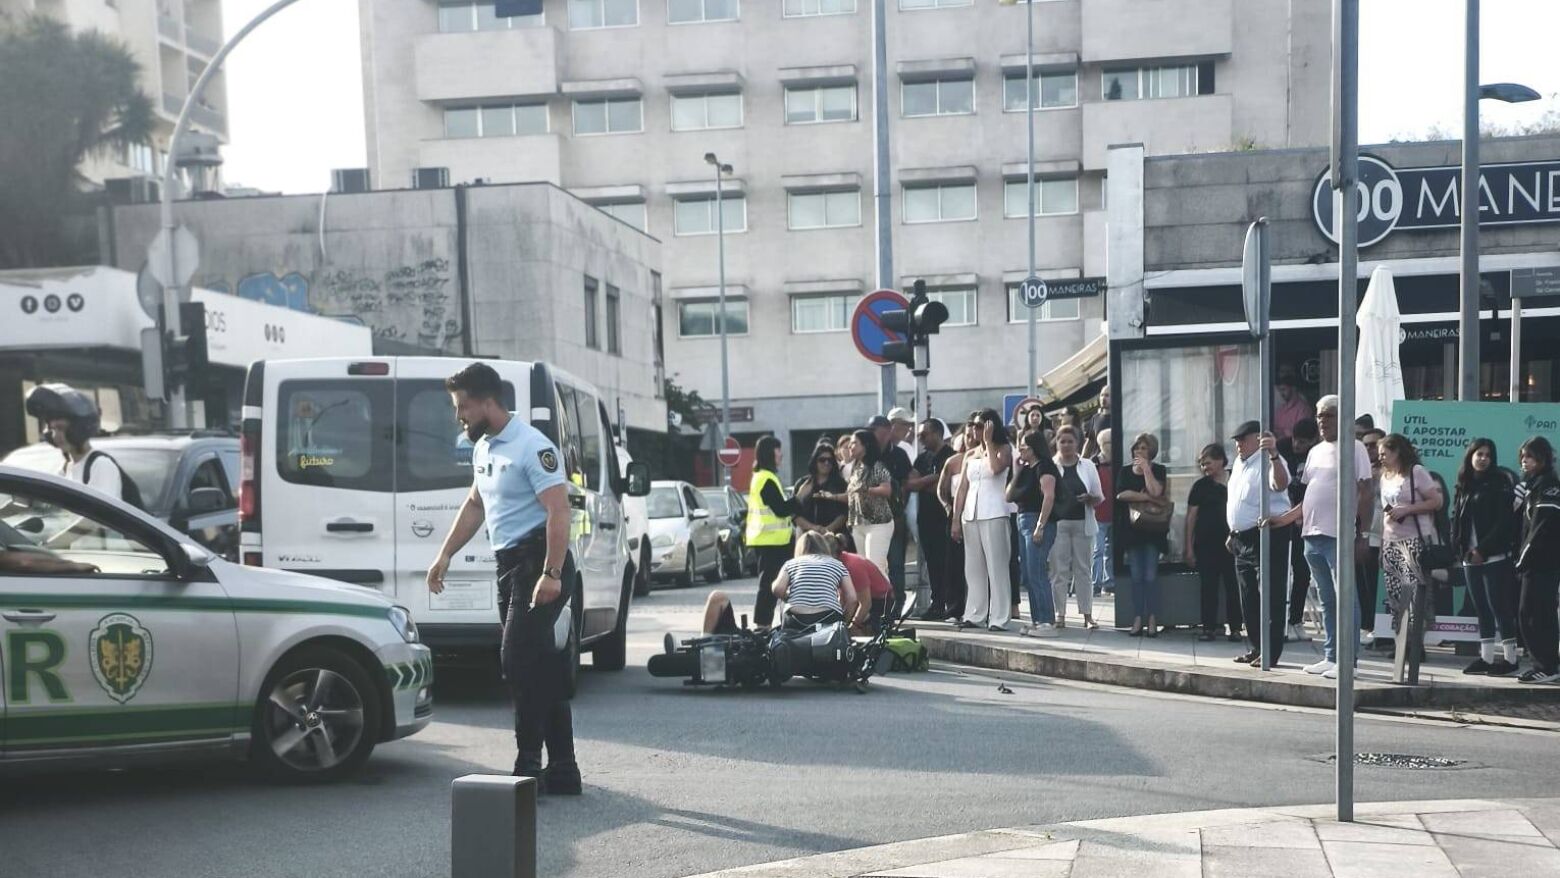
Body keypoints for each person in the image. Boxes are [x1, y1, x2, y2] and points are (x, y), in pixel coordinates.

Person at [427, 362, 579, 791]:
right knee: (539, 663)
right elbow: (475, 505)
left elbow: (558, 511)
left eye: (463, 408)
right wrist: (445, 555)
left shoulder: (532, 446)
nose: (459, 417)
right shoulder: (483, 447)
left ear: (487, 402)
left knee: (516, 662)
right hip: (509, 566)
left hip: (540, 562)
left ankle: (528, 763)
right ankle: (564, 769)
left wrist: (550, 573)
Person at [1265, 396, 1372, 679]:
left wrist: (1363, 533)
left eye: (1329, 415)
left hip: (1339, 532)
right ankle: (1331, 655)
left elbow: (1365, 491)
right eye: (1320, 415)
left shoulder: (1355, 448)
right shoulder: (1315, 452)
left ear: (1343, 417)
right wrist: (1284, 519)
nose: (1322, 420)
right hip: (1311, 533)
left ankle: (1349, 661)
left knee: (1345, 597)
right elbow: (1311, 494)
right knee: (1327, 598)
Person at [1450, 438, 1521, 677]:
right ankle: (1486, 657)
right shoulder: (1465, 483)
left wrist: (1483, 549)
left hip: (1493, 556)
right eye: (1479, 454)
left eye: (1488, 455)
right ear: (1470, 456)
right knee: (1481, 608)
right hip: (1469, 557)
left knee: (1499, 606)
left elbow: (1504, 523)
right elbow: (1456, 518)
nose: (1483, 459)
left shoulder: (1499, 483)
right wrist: (1460, 549)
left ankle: (1510, 659)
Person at [701, 531, 858, 635]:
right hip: (828, 622)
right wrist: (843, 623)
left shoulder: (792, 563)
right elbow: (852, 599)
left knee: (786, 601)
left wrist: (788, 597)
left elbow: (777, 588)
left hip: (796, 622)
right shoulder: (837, 564)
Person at [1377, 433, 1443, 679]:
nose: (1381, 457)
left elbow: (1436, 501)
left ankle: (1416, 645)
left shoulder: (1416, 472)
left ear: (1397, 452)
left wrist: (1408, 509)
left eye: (1385, 452)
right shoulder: (1385, 477)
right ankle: (1401, 642)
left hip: (1413, 539)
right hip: (1391, 540)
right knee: (1395, 595)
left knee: (1415, 593)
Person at [1226, 420, 1291, 667]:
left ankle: (1271, 652)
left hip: (1266, 533)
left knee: (1271, 595)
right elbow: (1238, 501)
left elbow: (1281, 484)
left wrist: (1273, 454)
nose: (1238, 445)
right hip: (1242, 537)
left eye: (1243, 439)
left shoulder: (1268, 461)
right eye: (1236, 441)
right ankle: (1256, 646)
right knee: (1248, 596)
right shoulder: (1240, 465)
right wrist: (1233, 531)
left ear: (1258, 439)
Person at [951, 409, 1014, 632]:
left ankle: (999, 617)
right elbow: (961, 489)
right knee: (973, 567)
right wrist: (956, 519)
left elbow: (996, 469)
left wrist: (989, 443)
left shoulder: (1004, 448)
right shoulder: (970, 454)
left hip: (994, 511)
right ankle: (975, 614)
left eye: (980, 426)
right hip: (971, 513)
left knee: (997, 567)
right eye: (974, 426)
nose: (975, 430)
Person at [25, 384, 128, 502]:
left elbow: (99, 515)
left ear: (80, 428)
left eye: (61, 428)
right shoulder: (65, 468)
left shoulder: (100, 465)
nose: (55, 435)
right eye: (52, 429)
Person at [1514, 436, 1560, 684]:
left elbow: (1540, 530)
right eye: (1522, 457)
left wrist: (1522, 559)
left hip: (1543, 563)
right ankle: (1541, 663)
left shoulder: (1549, 487)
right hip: (1534, 563)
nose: (1524, 462)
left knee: (1535, 614)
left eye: (1529, 457)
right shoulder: (1533, 486)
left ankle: (1547, 665)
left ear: (1542, 459)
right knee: (1529, 613)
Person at [1186, 444, 1242, 643]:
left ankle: (1235, 627)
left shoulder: (1236, 480)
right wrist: (1189, 547)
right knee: (1208, 587)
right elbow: (1191, 517)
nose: (1204, 468)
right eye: (1201, 464)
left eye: (1208, 463)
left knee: (1233, 586)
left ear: (1220, 461)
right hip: (1206, 544)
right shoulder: (1200, 486)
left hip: (1233, 544)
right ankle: (1208, 627)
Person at [1114, 432, 1168, 637]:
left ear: (1151, 451)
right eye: (1137, 448)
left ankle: (1152, 617)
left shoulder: (1159, 470)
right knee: (1136, 576)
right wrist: (1144, 496)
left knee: (1150, 576)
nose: (1139, 451)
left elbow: (1157, 492)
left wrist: (1146, 471)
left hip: (1153, 530)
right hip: (1132, 531)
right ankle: (1137, 617)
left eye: (1143, 448)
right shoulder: (1125, 471)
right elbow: (1121, 494)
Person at [1050, 425, 1103, 629]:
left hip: (1083, 522)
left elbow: (1099, 496)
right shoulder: (1052, 466)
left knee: (1083, 570)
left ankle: (1087, 615)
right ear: (1056, 443)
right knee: (1058, 571)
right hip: (1059, 524)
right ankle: (1059, 614)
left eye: (1070, 441)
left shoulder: (1088, 465)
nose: (1066, 445)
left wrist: (1090, 498)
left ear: (1077, 443)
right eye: (1062, 441)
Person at [1007, 429, 1058, 634]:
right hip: (1022, 519)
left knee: (1037, 572)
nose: (1020, 449)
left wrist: (1040, 525)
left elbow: (1049, 496)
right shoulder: (1026, 469)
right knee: (1028, 574)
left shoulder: (1045, 467)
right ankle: (1038, 619)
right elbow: (1009, 495)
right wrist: (1018, 470)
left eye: (1025, 446)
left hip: (1037, 520)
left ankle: (1047, 620)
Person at [746, 435, 798, 628]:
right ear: (769, 452)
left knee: (772, 585)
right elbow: (781, 509)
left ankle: (767, 625)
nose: (781, 454)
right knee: (768, 586)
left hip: (771, 541)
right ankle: (762, 627)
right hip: (771, 542)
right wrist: (799, 498)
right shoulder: (765, 478)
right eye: (777, 450)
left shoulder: (765, 476)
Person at [829, 429, 895, 577]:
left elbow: (886, 490)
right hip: (859, 525)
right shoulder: (856, 468)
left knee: (876, 569)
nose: (850, 447)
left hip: (877, 524)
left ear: (865, 446)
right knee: (864, 569)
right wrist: (831, 497)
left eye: (854, 443)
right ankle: (869, 601)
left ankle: (884, 600)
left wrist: (866, 489)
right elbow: (852, 495)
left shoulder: (877, 466)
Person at [909, 419, 956, 621]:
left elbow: (947, 485)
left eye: (924, 435)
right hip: (926, 517)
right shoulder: (921, 459)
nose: (921, 439)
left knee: (949, 563)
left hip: (945, 517)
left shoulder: (951, 456)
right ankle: (936, 604)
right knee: (932, 564)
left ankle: (952, 604)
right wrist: (933, 479)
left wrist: (930, 481)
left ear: (937, 433)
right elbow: (911, 484)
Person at [1277, 418, 1319, 643]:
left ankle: (1295, 619)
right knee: (1282, 571)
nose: (1296, 445)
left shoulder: (1317, 454)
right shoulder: (1283, 448)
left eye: (1302, 442)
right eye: (1295, 440)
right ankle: (1280, 619)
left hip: (1304, 517)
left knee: (1302, 571)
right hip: (1283, 515)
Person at [869, 415, 914, 601]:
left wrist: (899, 507)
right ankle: (875, 605)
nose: (872, 436)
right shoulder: (865, 454)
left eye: (876, 431)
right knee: (872, 563)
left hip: (894, 516)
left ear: (887, 432)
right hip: (869, 519)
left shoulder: (899, 455)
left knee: (895, 564)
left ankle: (896, 605)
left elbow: (906, 484)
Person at [936, 421, 977, 622]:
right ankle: (954, 608)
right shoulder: (953, 461)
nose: (972, 439)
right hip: (956, 511)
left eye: (975, 435)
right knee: (955, 562)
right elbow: (941, 490)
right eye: (968, 435)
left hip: (979, 510)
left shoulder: (985, 458)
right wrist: (949, 509)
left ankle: (979, 608)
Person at [824, 533, 891, 634]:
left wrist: (851, 626)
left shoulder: (853, 566)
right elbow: (842, 598)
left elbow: (865, 603)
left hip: (882, 602)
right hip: (868, 600)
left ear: (832, 555)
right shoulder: (839, 564)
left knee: (853, 631)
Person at [1358, 428, 1387, 643]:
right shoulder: (1360, 469)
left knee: (1381, 585)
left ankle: (1382, 628)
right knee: (1364, 582)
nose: (1369, 449)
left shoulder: (1392, 471)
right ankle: (1367, 625)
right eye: (1365, 444)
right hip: (1364, 533)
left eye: (1373, 444)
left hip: (1388, 535)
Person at [792, 444, 848, 538]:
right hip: (807, 537)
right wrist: (814, 528)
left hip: (834, 537)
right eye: (822, 460)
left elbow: (844, 513)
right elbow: (795, 514)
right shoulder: (802, 483)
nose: (826, 463)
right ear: (815, 461)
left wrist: (827, 530)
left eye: (830, 460)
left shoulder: (840, 484)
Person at [1091, 428, 1115, 596]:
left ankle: (1109, 582)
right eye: (1108, 443)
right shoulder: (1094, 463)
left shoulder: (1119, 460)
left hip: (1114, 513)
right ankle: (1095, 583)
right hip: (1097, 514)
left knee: (1111, 550)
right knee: (1097, 550)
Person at [1272, 367, 1315, 441]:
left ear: (1293, 388)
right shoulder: (1280, 409)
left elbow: (1303, 433)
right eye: (1280, 390)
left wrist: (1283, 433)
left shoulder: (1303, 409)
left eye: (1284, 389)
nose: (1281, 393)